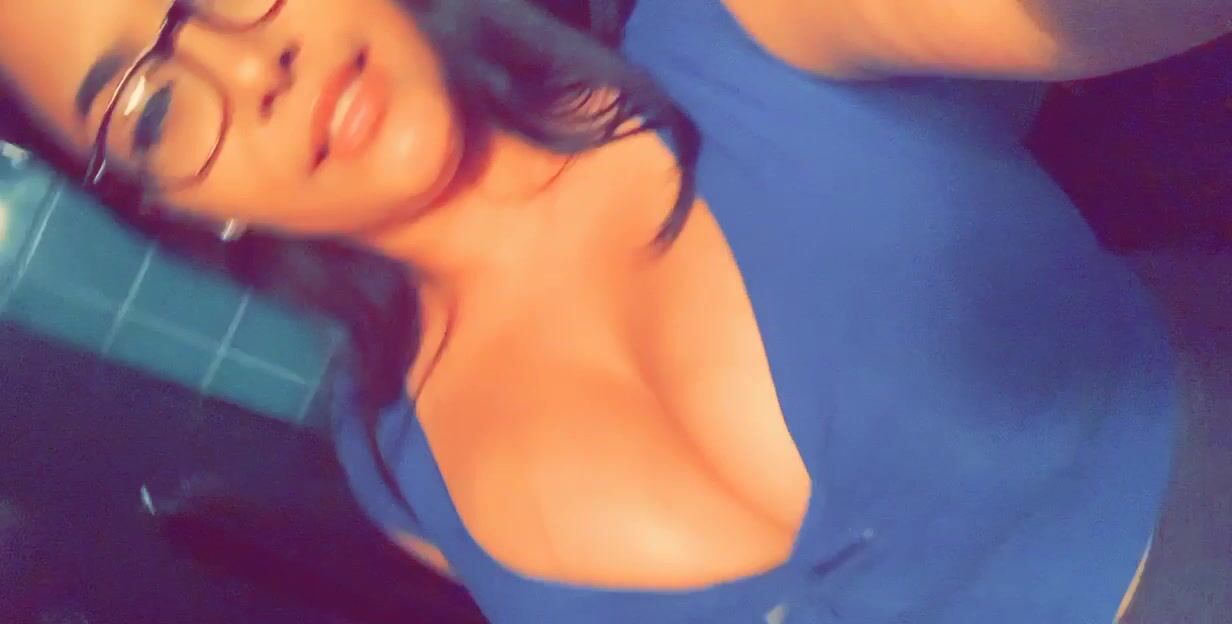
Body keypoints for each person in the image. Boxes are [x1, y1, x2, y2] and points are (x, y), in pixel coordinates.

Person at [0, 0, 1223, 621]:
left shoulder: (743, 37)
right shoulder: (396, 476)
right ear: (175, 207)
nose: (245, 66)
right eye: (152, 109)